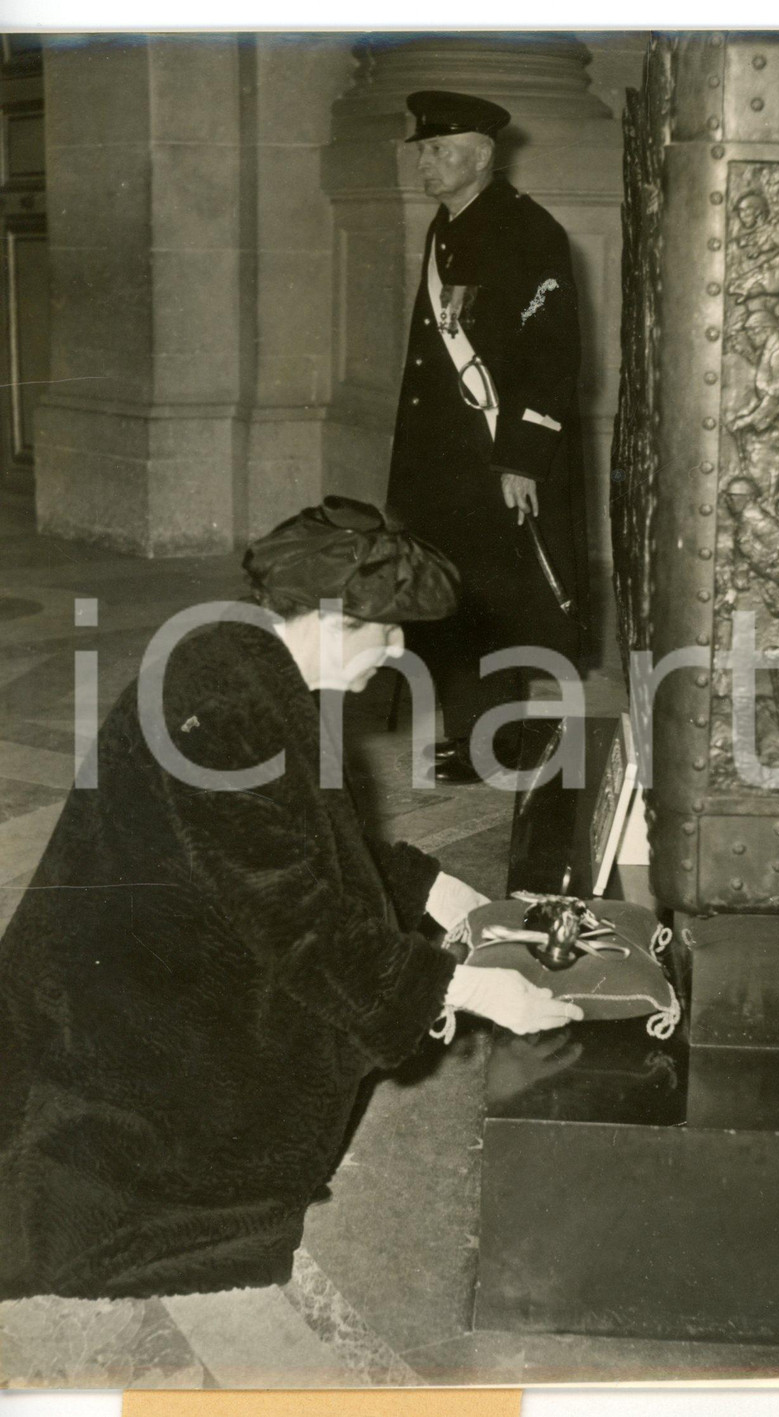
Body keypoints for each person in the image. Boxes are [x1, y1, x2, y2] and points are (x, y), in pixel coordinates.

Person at [0, 497, 581, 1301]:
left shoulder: (232, 654)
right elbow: (303, 927)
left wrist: (440, 890)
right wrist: (476, 988)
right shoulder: (235, 712)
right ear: (331, 619)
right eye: (386, 630)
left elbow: (296, 844)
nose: (400, 649)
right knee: (270, 1092)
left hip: (125, 959)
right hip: (122, 1021)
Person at [386, 89, 588, 784]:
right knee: (452, 593)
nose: (425, 163)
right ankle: (474, 731)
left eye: (440, 151)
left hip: (496, 450)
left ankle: (499, 739)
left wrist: (524, 459)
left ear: (481, 156)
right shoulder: (445, 228)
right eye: (422, 150)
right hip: (442, 455)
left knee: (501, 597)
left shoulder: (530, 232)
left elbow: (553, 357)